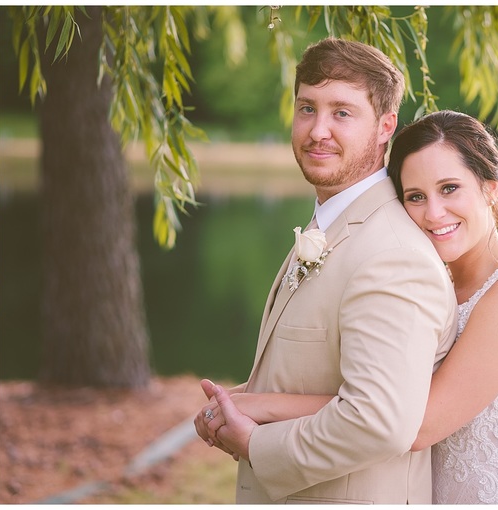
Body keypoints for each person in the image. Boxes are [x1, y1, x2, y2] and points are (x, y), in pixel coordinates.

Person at [203, 110, 498, 504]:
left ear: (490, 188)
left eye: (449, 189)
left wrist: (260, 407)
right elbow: (382, 390)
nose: (433, 213)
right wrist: (235, 401)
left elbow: (413, 422)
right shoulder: (430, 281)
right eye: (416, 196)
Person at [194, 37, 458, 504]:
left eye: (341, 112)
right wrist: (235, 407)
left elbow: (379, 421)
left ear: (385, 127)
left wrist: (255, 444)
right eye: (306, 108)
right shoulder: (334, 225)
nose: (317, 130)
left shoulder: (391, 254)